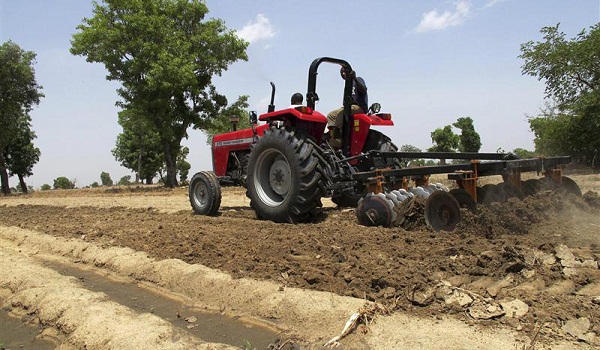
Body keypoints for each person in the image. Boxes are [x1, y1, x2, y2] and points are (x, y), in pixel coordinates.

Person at [327, 68, 368, 148]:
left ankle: (337, 136)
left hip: (358, 107)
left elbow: (363, 90)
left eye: (344, 72)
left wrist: (355, 78)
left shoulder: (358, 80)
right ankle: (334, 137)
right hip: (348, 107)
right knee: (331, 115)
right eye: (341, 73)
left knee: (341, 113)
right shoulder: (347, 85)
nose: (343, 74)